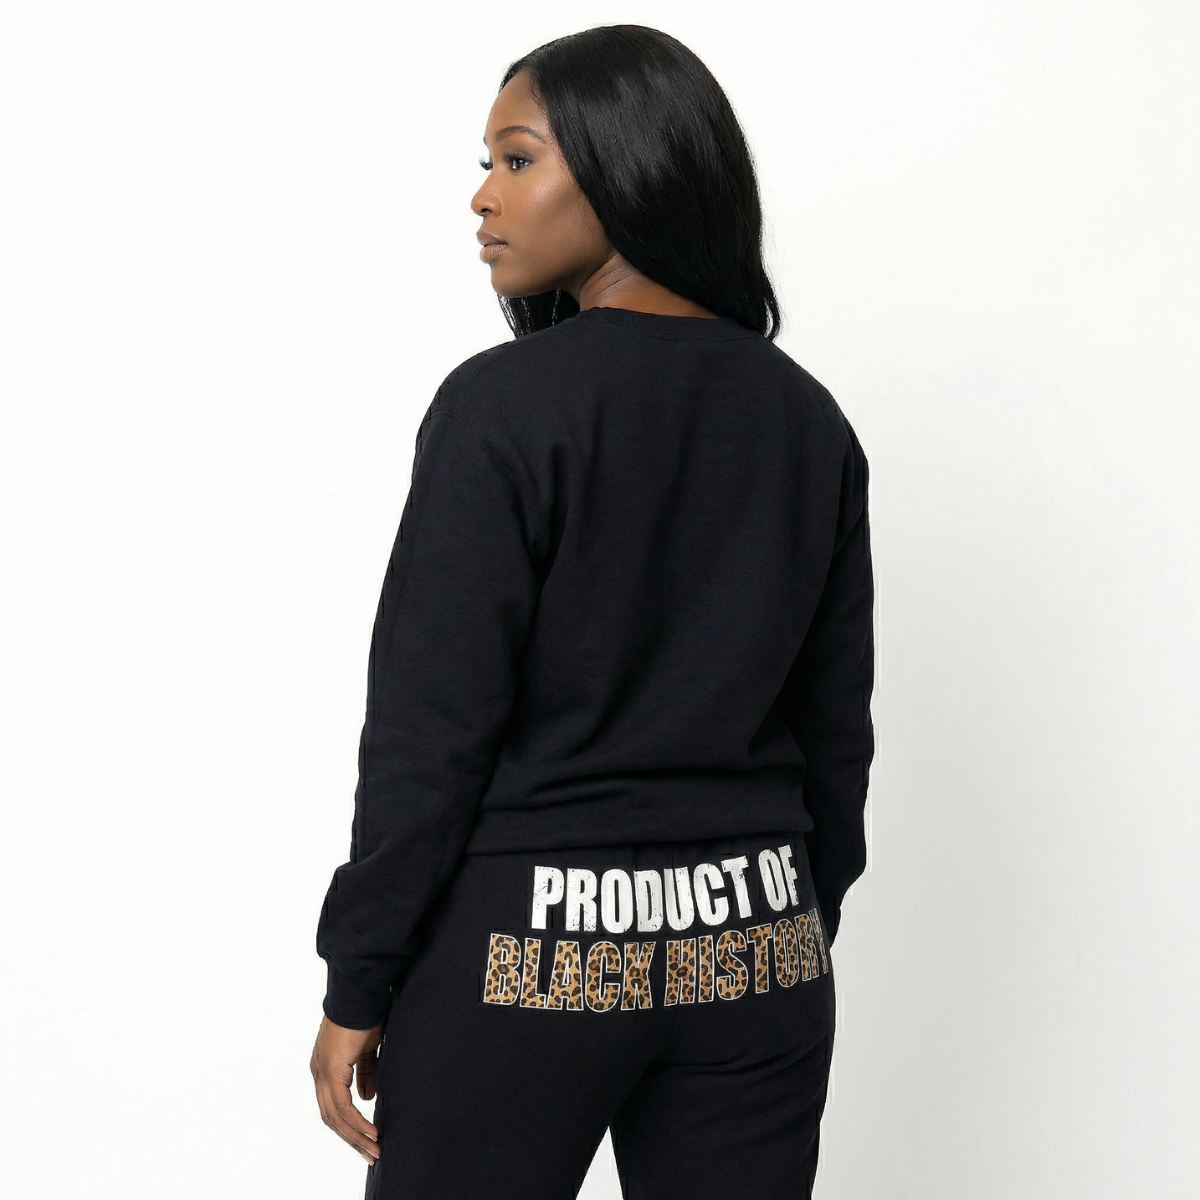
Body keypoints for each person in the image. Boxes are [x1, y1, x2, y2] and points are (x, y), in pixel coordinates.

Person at [310, 24, 874, 1200]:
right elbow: (835, 735)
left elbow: (430, 728)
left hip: (528, 957)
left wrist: (360, 975)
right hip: (757, 954)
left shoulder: (504, 408)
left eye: (518, 160)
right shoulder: (806, 419)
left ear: (629, 167)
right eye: (488, 164)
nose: (483, 196)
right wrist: (775, 918)